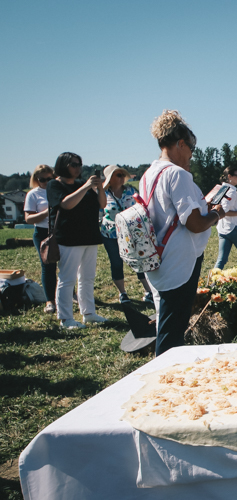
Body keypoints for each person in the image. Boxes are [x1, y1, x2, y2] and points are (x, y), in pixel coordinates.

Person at [142, 110, 226, 356]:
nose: (191, 154)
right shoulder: (177, 174)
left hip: (159, 257)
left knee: (167, 321)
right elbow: (194, 224)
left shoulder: (150, 173)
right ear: (180, 144)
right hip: (178, 262)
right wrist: (217, 214)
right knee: (172, 330)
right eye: (191, 148)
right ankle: (165, 378)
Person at [46, 153, 108, 329]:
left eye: (79, 165)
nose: (78, 168)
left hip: (89, 236)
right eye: (74, 164)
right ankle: (65, 318)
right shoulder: (54, 185)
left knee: (87, 278)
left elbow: (102, 205)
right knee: (67, 279)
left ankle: (89, 313)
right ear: (63, 165)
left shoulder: (83, 184)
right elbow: (66, 204)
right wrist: (86, 187)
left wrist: (99, 187)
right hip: (68, 238)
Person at [99, 164, 153, 304]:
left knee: (139, 260)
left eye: (123, 175)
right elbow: (99, 213)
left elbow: (141, 207)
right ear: (110, 178)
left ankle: (148, 291)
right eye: (118, 175)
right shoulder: (103, 194)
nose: (122, 178)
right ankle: (122, 293)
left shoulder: (131, 191)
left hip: (132, 233)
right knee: (116, 263)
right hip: (111, 235)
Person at [24, 164, 57, 314]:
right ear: (36, 179)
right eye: (42, 179)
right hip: (42, 232)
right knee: (48, 266)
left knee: (66, 265)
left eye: (49, 178)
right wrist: (46, 212)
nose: (46, 182)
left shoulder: (57, 190)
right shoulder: (33, 194)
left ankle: (71, 293)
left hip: (60, 230)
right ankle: (50, 300)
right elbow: (29, 219)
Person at [213, 167, 237, 277]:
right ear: (229, 176)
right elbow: (224, 211)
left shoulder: (222, 190)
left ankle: (212, 282)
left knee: (221, 259)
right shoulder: (230, 192)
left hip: (222, 228)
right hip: (235, 228)